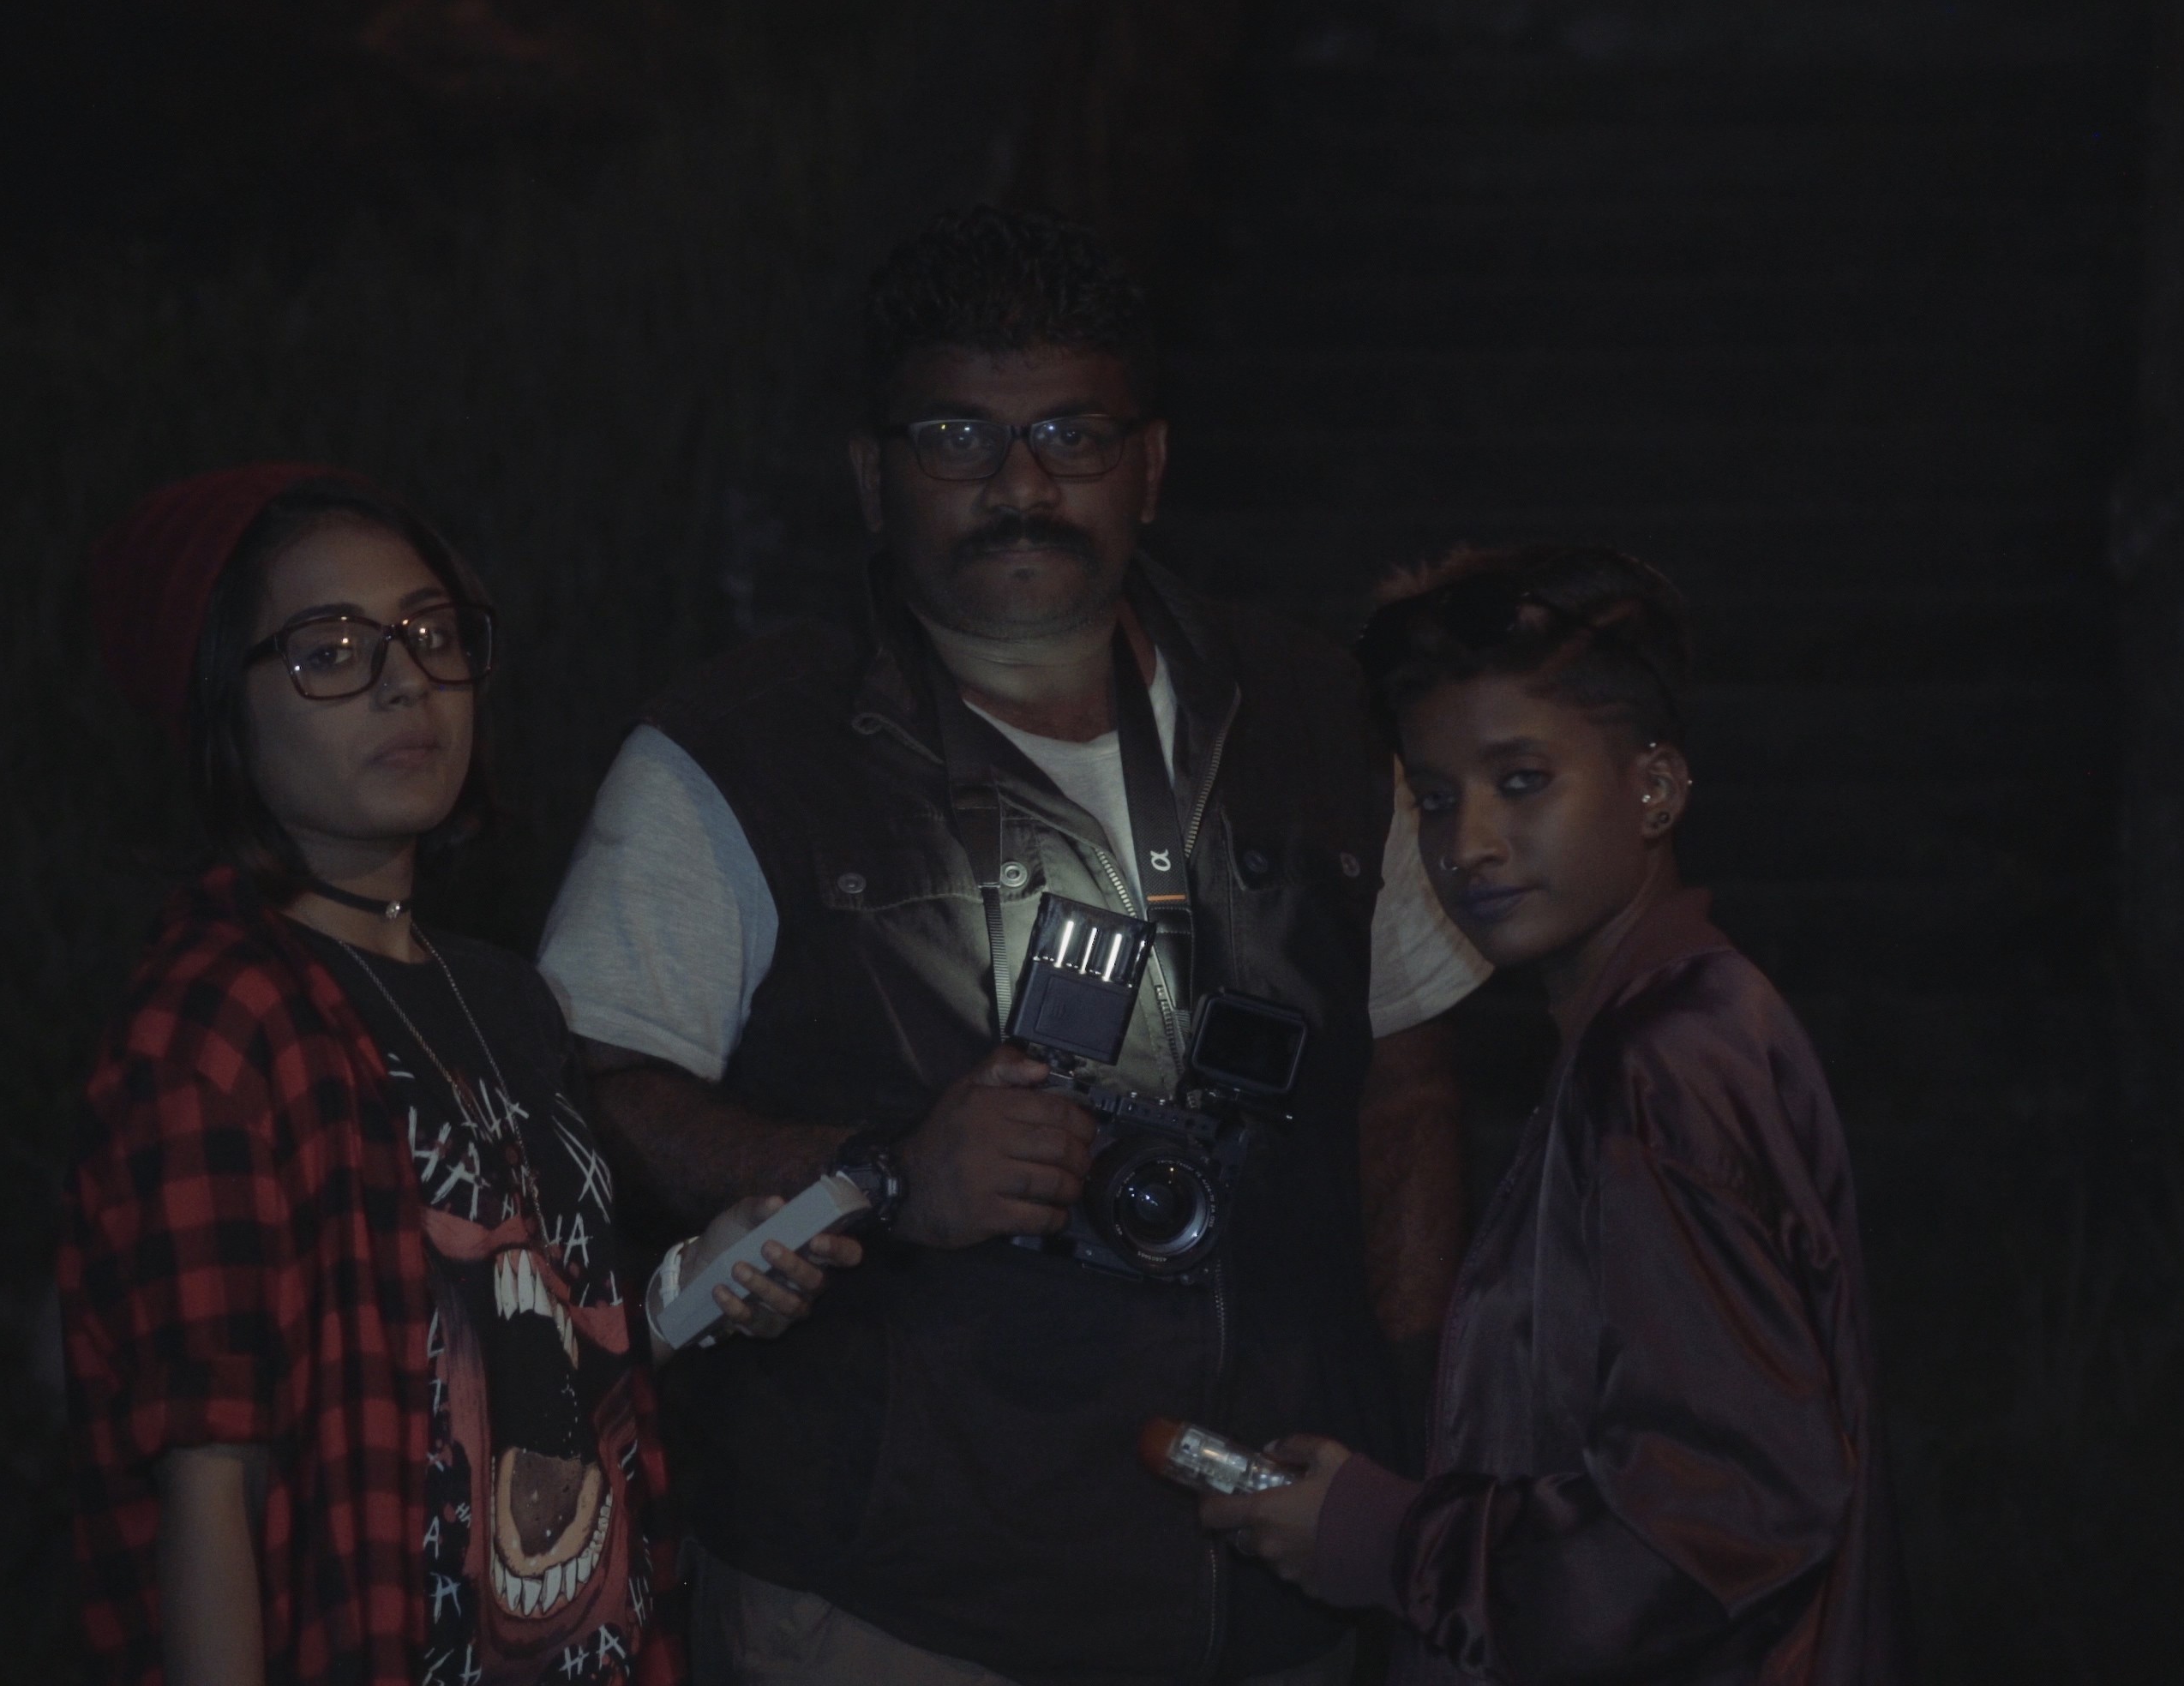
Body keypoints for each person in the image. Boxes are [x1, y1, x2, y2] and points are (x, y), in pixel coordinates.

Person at [534, 207, 1491, 1683]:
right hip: (901, 1603)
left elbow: (1409, 1093)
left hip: (1271, 1574)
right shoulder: (735, 753)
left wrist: (1406, 1441)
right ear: (872, 478)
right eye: (958, 438)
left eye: (1072, 434)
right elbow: (588, 1098)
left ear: (1151, 464)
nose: (1022, 486)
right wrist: (883, 1173)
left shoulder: (1309, 709)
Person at [61, 465, 864, 1686]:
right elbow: (206, 1469)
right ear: (222, 704)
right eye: (330, 652)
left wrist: (694, 1285)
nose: (405, 681)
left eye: (432, 635)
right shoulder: (220, 1022)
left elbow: (527, 1364)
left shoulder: (505, 1001)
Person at [1198, 546, 1905, 1683]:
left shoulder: (1667, 1060)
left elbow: (1725, 1519)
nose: (1467, 844)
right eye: (1436, 798)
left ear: (1655, 788)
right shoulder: (1662, 1028)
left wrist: (1390, 1540)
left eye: (1521, 781)